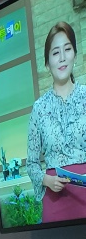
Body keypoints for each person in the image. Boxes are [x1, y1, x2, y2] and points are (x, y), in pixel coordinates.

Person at [26, 21, 86, 223]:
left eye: (67, 49)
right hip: (55, 199)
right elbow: (32, 164)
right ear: (47, 63)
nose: (62, 57)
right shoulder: (39, 108)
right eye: (55, 52)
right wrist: (47, 180)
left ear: (74, 55)